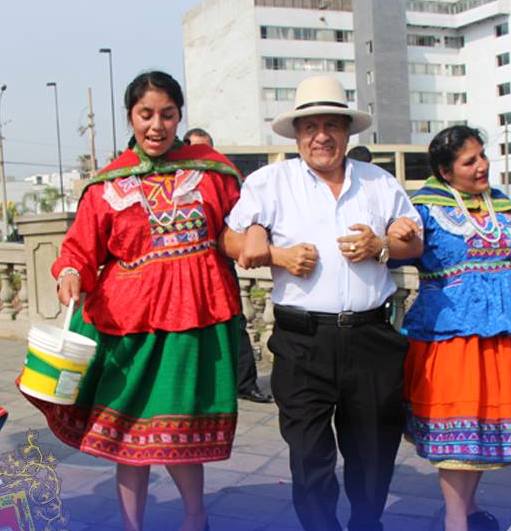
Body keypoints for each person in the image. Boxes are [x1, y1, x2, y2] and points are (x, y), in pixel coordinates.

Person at [20, 71, 243, 531]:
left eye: (167, 114)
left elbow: (246, 222)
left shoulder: (212, 174)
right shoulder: (107, 185)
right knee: (126, 433)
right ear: (130, 117)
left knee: (183, 430)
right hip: (126, 328)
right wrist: (69, 274)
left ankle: (195, 518)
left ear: (179, 116)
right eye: (146, 115)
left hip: (192, 324)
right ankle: (131, 526)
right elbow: (80, 250)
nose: (156, 125)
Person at [221, 75, 423, 531]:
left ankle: (367, 524)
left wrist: (382, 246)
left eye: (332, 125)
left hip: (371, 338)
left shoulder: (379, 182)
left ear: (347, 132)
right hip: (302, 341)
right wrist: (277, 255)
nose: (321, 136)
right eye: (310, 126)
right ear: (296, 135)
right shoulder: (270, 182)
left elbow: (413, 241)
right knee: (309, 453)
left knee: (373, 452)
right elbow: (230, 239)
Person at [400, 126, 511, 531]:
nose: (482, 166)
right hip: (451, 337)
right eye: (469, 161)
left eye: (482, 156)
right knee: (455, 437)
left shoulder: (506, 210)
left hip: (502, 339)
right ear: (445, 171)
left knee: (480, 436)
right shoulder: (424, 211)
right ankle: (455, 520)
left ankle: (469, 509)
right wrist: (389, 239)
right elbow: (392, 255)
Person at [183, 127, 272, 404]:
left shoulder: (224, 179)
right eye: (196, 149)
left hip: (219, 265)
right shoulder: (178, 185)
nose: (203, 155)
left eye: (207, 149)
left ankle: (246, 384)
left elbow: (244, 216)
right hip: (186, 271)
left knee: (235, 324)